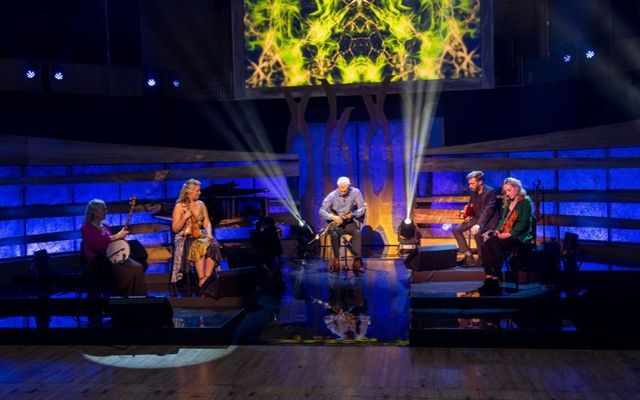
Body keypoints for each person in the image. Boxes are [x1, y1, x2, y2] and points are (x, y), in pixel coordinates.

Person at [478, 177, 534, 294]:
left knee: (497, 247)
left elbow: (524, 223)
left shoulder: (526, 202)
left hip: (519, 236)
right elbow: (503, 219)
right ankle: (489, 277)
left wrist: (509, 234)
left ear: (517, 189)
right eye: (506, 191)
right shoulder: (508, 201)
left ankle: (497, 277)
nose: (507, 194)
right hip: (505, 232)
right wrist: (498, 230)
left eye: (510, 190)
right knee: (486, 245)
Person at [81, 199, 147, 296]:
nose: (106, 212)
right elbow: (96, 244)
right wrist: (116, 236)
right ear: (94, 212)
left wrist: (120, 238)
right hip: (99, 260)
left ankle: (140, 299)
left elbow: (111, 243)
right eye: (103, 209)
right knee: (126, 275)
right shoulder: (86, 228)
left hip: (112, 256)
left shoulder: (105, 227)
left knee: (138, 267)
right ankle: (122, 301)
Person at [170, 179, 222, 293]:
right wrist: (184, 217)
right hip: (184, 236)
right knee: (198, 245)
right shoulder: (180, 206)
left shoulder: (201, 204)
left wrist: (209, 234)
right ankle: (201, 279)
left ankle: (206, 279)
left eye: (199, 191)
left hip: (199, 233)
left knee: (213, 244)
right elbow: (175, 229)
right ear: (189, 192)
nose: (200, 193)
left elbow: (207, 222)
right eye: (197, 191)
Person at [452, 171, 500, 266]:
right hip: (476, 219)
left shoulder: (491, 192)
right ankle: (468, 254)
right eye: (469, 184)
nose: (470, 186)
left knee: (476, 231)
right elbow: (471, 206)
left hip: (489, 221)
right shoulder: (473, 192)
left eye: (472, 183)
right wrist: (468, 215)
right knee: (456, 229)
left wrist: (478, 225)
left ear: (480, 182)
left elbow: (488, 211)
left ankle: (481, 257)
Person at [319, 176, 366, 273]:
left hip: (349, 223)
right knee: (335, 235)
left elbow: (362, 209)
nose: (342, 193)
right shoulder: (332, 196)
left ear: (349, 186)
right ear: (338, 187)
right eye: (340, 190)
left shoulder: (356, 192)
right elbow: (321, 211)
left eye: (345, 191)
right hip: (337, 224)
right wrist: (333, 217)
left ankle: (357, 260)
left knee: (357, 233)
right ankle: (336, 258)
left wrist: (353, 214)